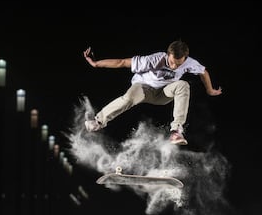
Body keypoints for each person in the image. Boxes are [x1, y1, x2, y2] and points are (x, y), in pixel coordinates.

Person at [82, 40, 222, 145]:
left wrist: (209, 90)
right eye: (171, 62)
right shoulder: (154, 59)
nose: (173, 67)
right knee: (129, 98)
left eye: (178, 65)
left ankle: (176, 131)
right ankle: (98, 121)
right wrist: (95, 64)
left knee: (183, 85)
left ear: (185, 58)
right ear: (168, 54)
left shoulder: (190, 63)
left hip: (163, 94)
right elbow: (122, 62)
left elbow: (203, 72)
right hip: (143, 88)